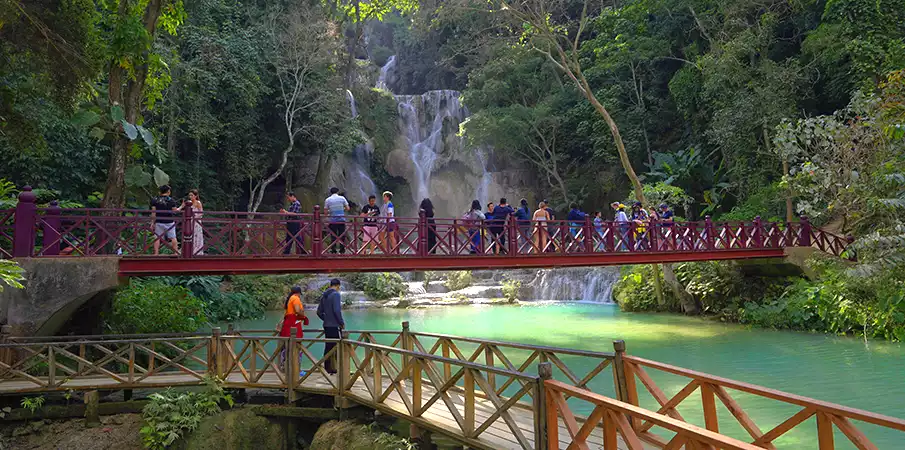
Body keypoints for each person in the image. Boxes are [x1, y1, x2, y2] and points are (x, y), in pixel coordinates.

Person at [276, 286, 309, 373]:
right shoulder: (295, 298)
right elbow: (297, 310)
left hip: (288, 325)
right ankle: (295, 369)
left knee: (287, 346)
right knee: (296, 345)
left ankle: (286, 368)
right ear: (298, 293)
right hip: (293, 324)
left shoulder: (289, 299)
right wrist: (304, 316)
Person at [316, 279, 344, 375]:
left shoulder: (324, 295)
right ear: (338, 286)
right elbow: (337, 310)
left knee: (328, 346)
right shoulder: (335, 295)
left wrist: (326, 319)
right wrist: (341, 322)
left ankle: (328, 368)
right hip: (334, 325)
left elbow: (319, 312)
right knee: (336, 347)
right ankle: (337, 368)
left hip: (327, 325)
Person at [150, 185, 180, 256]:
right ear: (168, 191)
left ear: (160, 192)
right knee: (173, 237)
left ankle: (156, 253)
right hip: (169, 221)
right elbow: (175, 211)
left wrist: (152, 223)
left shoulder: (155, 200)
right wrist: (181, 206)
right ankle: (175, 252)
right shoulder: (171, 200)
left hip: (159, 221)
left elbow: (153, 212)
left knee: (157, 237)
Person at [177, 189, 204, 256]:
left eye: (192, 195)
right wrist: (182, 206)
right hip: (189, 222)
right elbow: (178, 210)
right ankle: (188, 250)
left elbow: (201, 212)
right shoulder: (188, 202)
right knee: (188, 235)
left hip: (196, 221)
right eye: (189, 195)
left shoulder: (198, 202)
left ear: (196, 196)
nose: (190, 197)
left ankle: (197, 250)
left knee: (196, 235)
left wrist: (194, 218)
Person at [324, 187, 350, 254]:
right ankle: (342, 249)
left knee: (333, 235)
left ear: (331, 192)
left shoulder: (328, 200)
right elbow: (348, 208)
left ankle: (333, 250)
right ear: (337, 192)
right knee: (342, 235)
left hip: (333, 220)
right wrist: (342, 209)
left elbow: (325, 212)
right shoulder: (342, 198)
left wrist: (331, 211)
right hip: (341, 220)